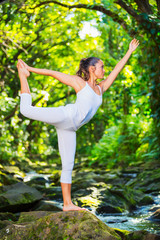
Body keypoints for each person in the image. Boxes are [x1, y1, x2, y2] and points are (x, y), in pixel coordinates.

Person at [17, 38, 139, 211]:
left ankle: (67, 205)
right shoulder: (80, 83)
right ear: (92, 69)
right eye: (102, 67)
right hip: (64, 116)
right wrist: (29, 69)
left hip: (70, 128)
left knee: (68, 165)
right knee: (26, 110)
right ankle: (23, 76)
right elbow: (53, 73)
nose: (104, 70)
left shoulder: (101, 89)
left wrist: (129, 51)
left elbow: (117, 71)